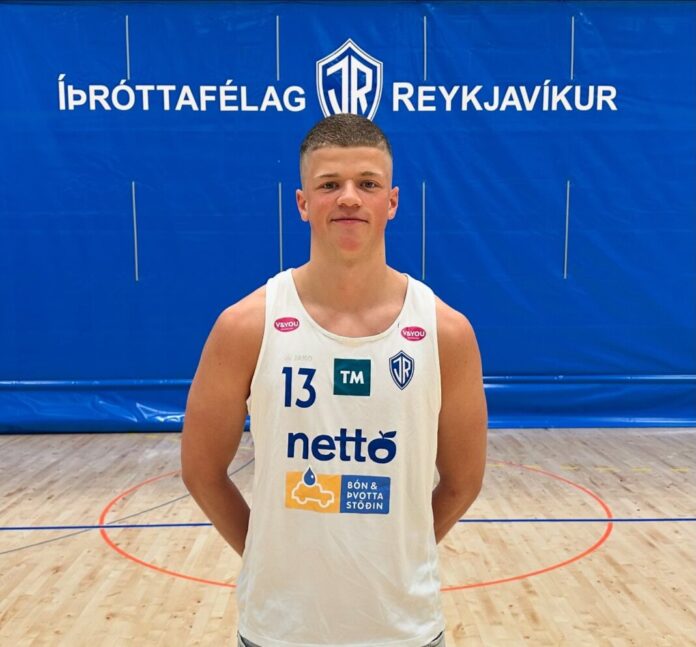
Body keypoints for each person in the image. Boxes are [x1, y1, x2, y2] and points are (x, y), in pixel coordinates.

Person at [181, 113, 488, 647]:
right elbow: (201, 472)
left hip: (404, 631)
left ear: (392, 201)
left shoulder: (447, 333)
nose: (349, 198)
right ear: (302, 203)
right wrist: (270, 558)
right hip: (279, 631)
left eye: (367, 183)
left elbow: (464, 481)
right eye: (329, 185)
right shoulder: (245, 326)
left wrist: (400, 554)